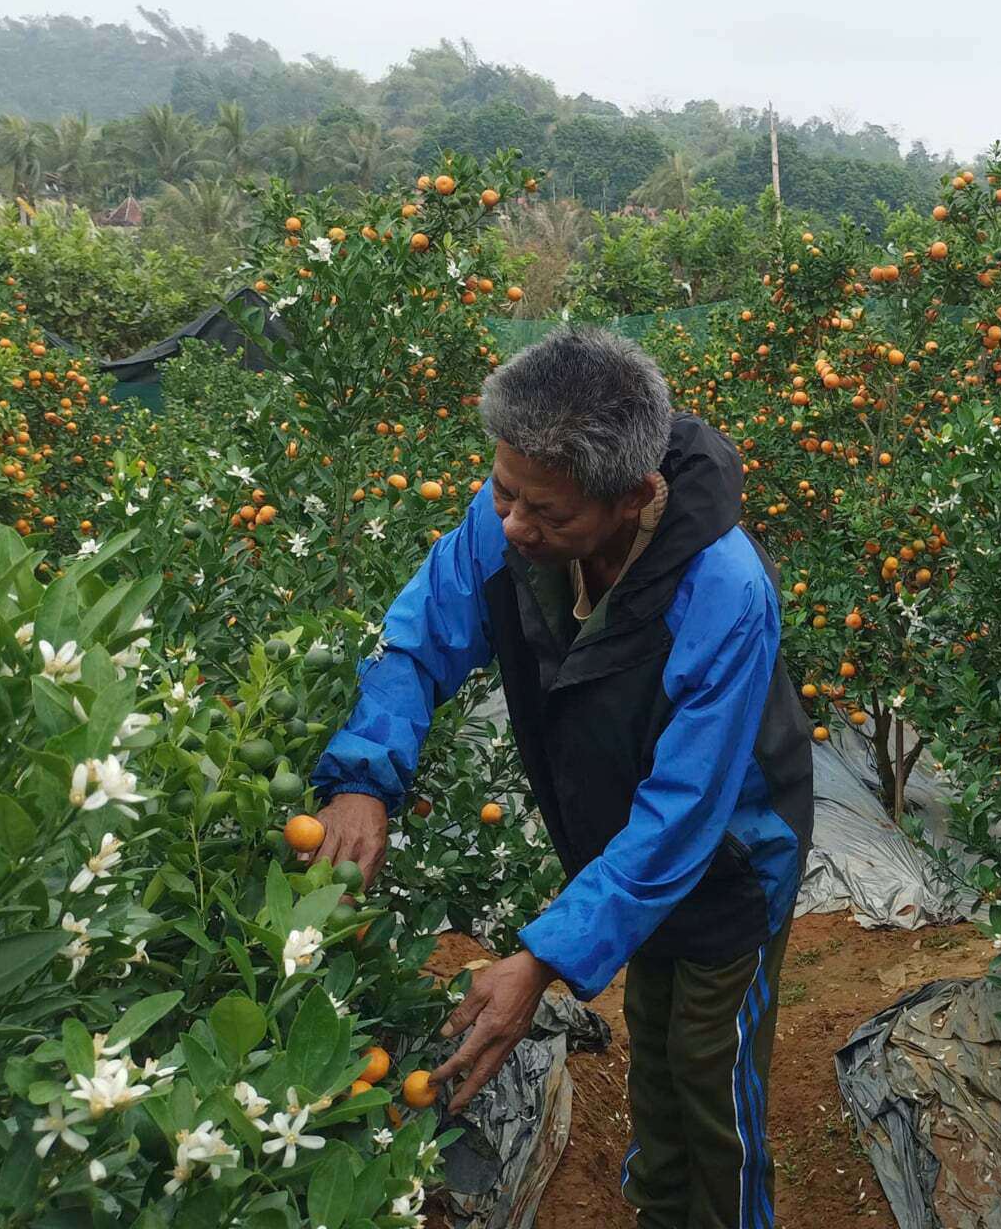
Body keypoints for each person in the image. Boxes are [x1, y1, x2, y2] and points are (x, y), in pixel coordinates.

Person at [307, 326, 812, 1229]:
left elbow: (685, 813)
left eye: (545, 512)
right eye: (504, 492)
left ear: (633, 496)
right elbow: (418, 639)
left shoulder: (723, 589)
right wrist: (361, 779)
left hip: (730, 862)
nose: (512, 525)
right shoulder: (511, 519)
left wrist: (541, 961)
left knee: (709, 1079)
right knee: (656, 1059)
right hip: (620, 852)